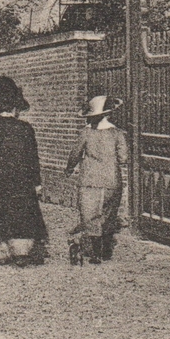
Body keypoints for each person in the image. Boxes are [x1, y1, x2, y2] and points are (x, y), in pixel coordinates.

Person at [0, 76, 49, 266]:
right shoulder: (25, 129)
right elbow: (32, 160)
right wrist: (36, 183)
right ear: (15, 108)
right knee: (21, 213)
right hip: (20, 183)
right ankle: (21, 251)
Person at [65, 94, 129, 265]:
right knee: (107, 215)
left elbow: (75, 154)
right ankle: (104, 250)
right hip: (111, 181)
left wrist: (69, 169)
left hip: (89, 181)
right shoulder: (118, 133)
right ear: (109, 114)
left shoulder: (85, 133)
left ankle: (95, 254)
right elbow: (123, 158)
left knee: (90, 215)